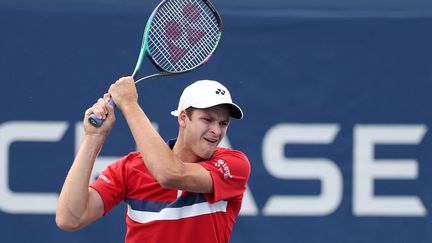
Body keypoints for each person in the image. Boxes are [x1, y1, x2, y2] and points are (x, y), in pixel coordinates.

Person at [56, 76, 251, 243]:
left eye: (223, 123)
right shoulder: (129, 168)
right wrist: (93, 138)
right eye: (207, 120)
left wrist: (129, 104)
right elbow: (71, 218)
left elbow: (170, 174)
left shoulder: (234, 165)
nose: (216, 131)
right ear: (183, 118)